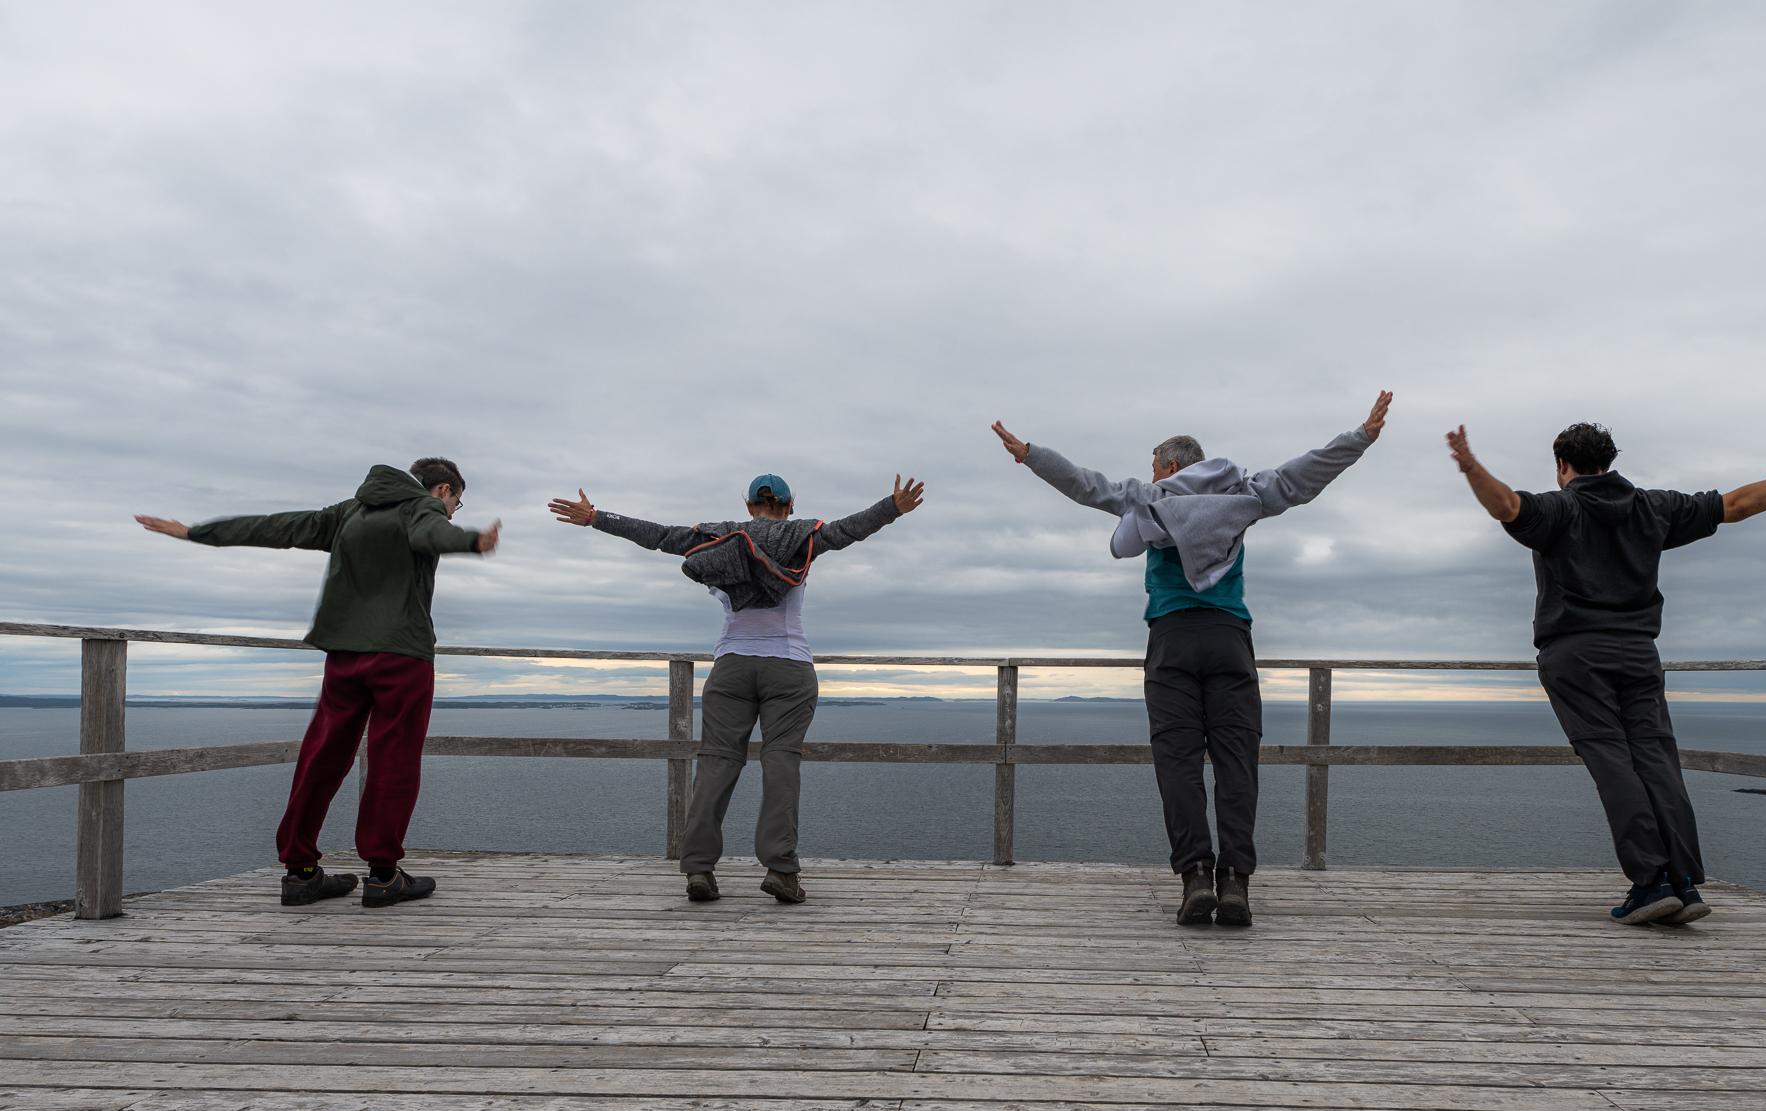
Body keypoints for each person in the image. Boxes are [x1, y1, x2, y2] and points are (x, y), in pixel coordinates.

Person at [1446, 422, 1766, 926]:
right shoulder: (1652, 507)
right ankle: (1682, 882)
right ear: (1608, 463)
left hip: (1575, 655)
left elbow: (1506, 506)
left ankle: (1649, 883)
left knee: (1611, 760)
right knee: (1656, 757)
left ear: (1561, 465)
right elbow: (1740, 504)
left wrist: (1471, 467)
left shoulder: (1560, 507)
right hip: (1638, 652)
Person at [992, 393, 1393, 928]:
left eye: (1153, 464)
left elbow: (1088, 486)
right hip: (1229, 639)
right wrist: (1360, 436)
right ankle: (1236, 885)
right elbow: (1304, 475)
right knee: (1236, 762)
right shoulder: (1243, 495)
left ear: (1172, 466)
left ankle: (1196, 877)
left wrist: (1031, 454)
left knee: (1177, 763)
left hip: (1173, 641)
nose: (1149, 473)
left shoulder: (1153, 500)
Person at [136, 459, 501, 909]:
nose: (452, 511)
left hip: (344, 656)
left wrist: (197, 532)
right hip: (401, 656)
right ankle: (384, 876)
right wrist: (470, 540)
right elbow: (433, 532)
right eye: (456, 503)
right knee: (394, 761)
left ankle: (299, 871)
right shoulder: (422, 509)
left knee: (321, 757)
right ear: (442, 489)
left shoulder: (349, 511)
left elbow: (278, 527)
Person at [549, 472, 924, 904]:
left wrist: (597, 517)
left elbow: (656, 536)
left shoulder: (718, 536)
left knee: (716, 764)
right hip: (789, 666)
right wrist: (892, 507)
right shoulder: (802, 537)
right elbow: (848, 530)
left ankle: (699, 871)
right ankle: (781, 872)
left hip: (731, 668)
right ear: (790, 505)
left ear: (748, 506)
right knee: (781, 763)